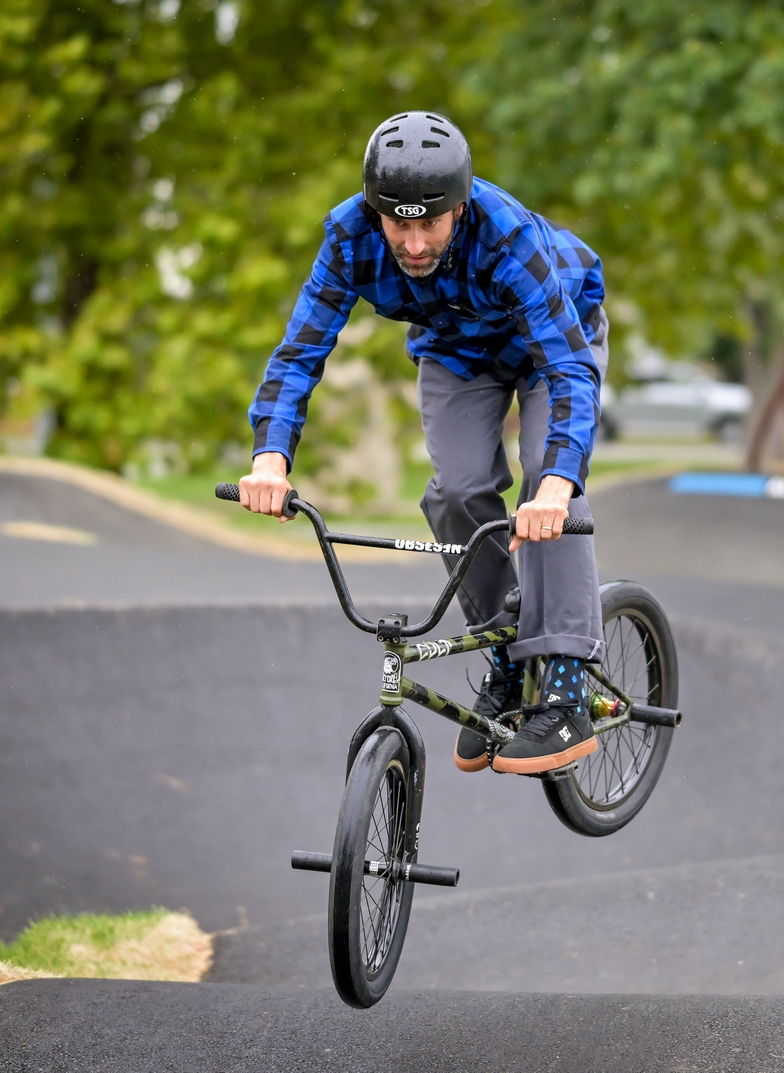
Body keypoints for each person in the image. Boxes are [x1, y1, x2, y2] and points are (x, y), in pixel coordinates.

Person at [235, 111, 606, 776]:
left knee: (545, 480)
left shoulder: (507, 236)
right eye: (397, 224)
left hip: (555, 344)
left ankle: (566, 687)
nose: (412, 244)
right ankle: (506, 652)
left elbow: (568, 370)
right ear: (374, 211)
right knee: (459, 489)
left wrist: (556, 484)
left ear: (459, 207)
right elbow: (299, 353)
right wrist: (270, 460)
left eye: (429, 224)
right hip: (456, 351)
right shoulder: (349, 237)